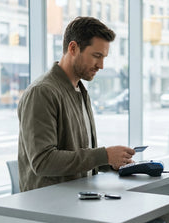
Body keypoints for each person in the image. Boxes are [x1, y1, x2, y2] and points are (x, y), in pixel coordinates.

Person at [17, 17, 135, 192]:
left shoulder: (79, 90)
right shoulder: (42, 92)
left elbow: (77, 155)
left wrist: (110, 161)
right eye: (96, 56)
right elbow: (43, 161)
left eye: (103, 57)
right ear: (73, 48)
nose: (101, 65)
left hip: (78, 197)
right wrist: (104, 155)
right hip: (49, 206)